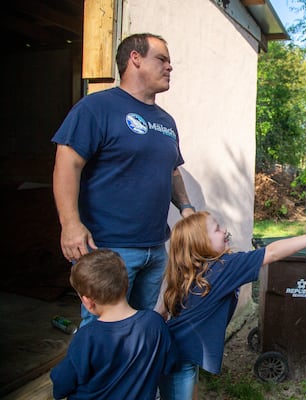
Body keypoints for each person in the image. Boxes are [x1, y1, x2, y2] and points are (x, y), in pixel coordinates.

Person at [52, 33, 195, 326]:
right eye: (162, 59)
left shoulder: (166, 121)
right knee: (102, 333)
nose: (170, 67)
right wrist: (70, 224)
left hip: (155, 248)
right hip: (108, 249)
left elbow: (172, 171)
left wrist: (187, 208)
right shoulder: (96, 108)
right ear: (135, 58)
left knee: (141, 328)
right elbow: (67, 165)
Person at [156, 211, 306, 400]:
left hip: (178, 351)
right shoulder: (224, 267)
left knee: (190, 386)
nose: (224, 231)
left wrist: (161, 312)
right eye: (217, 229)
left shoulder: (196, 269)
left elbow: (170, 293)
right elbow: (272, 251)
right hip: (177, 358)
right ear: (200, 243)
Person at [50, 249, 178, 400]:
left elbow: (63, 383)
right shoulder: (155, 323)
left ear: (87, 302)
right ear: (126, 284)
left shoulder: (87, 337)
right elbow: (170, 363)